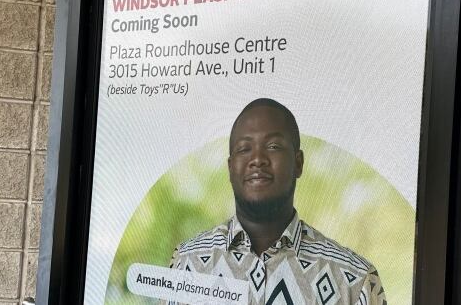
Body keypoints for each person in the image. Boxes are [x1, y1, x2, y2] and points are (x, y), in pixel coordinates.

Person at [166, 98, 387, 305]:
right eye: (244, 148)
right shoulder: (187, 263)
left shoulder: (354, 280)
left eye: (273, 146)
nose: (257, 159)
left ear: (298, 163)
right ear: (230, 167)